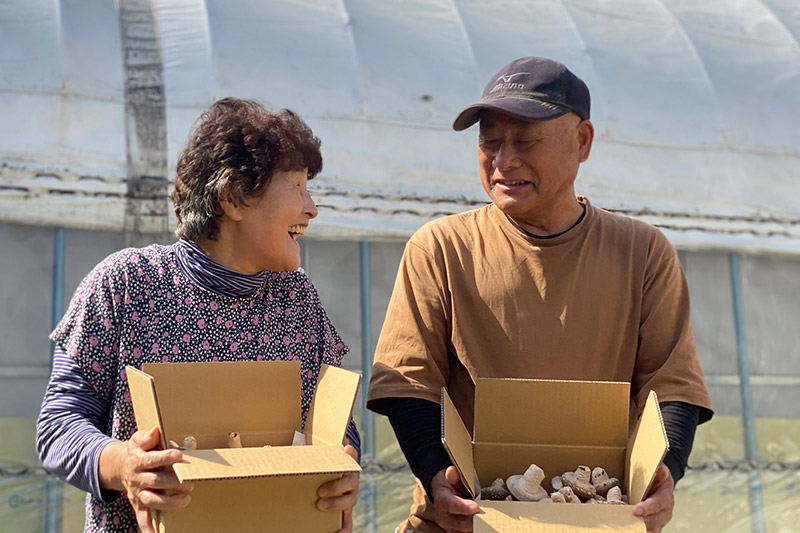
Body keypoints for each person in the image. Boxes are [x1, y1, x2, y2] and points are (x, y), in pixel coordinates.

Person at [367, 57, 713, 533]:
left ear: (582, 141)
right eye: (489, 141)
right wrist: (435, 474)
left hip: (596, 516)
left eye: (526, 141)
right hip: (467, 518)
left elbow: (672, 385)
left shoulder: (642, 252)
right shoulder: (442, 247)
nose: (504, 160)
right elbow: (407, 381)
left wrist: (664, 471)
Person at [36, 98, 360, 533]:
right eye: (298, 187)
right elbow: (58, 425)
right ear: (234, 198)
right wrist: (123, 465)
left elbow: (337, 426)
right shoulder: (126, 283)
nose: (312, 208)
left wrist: (343, 464)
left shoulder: (297, 300)